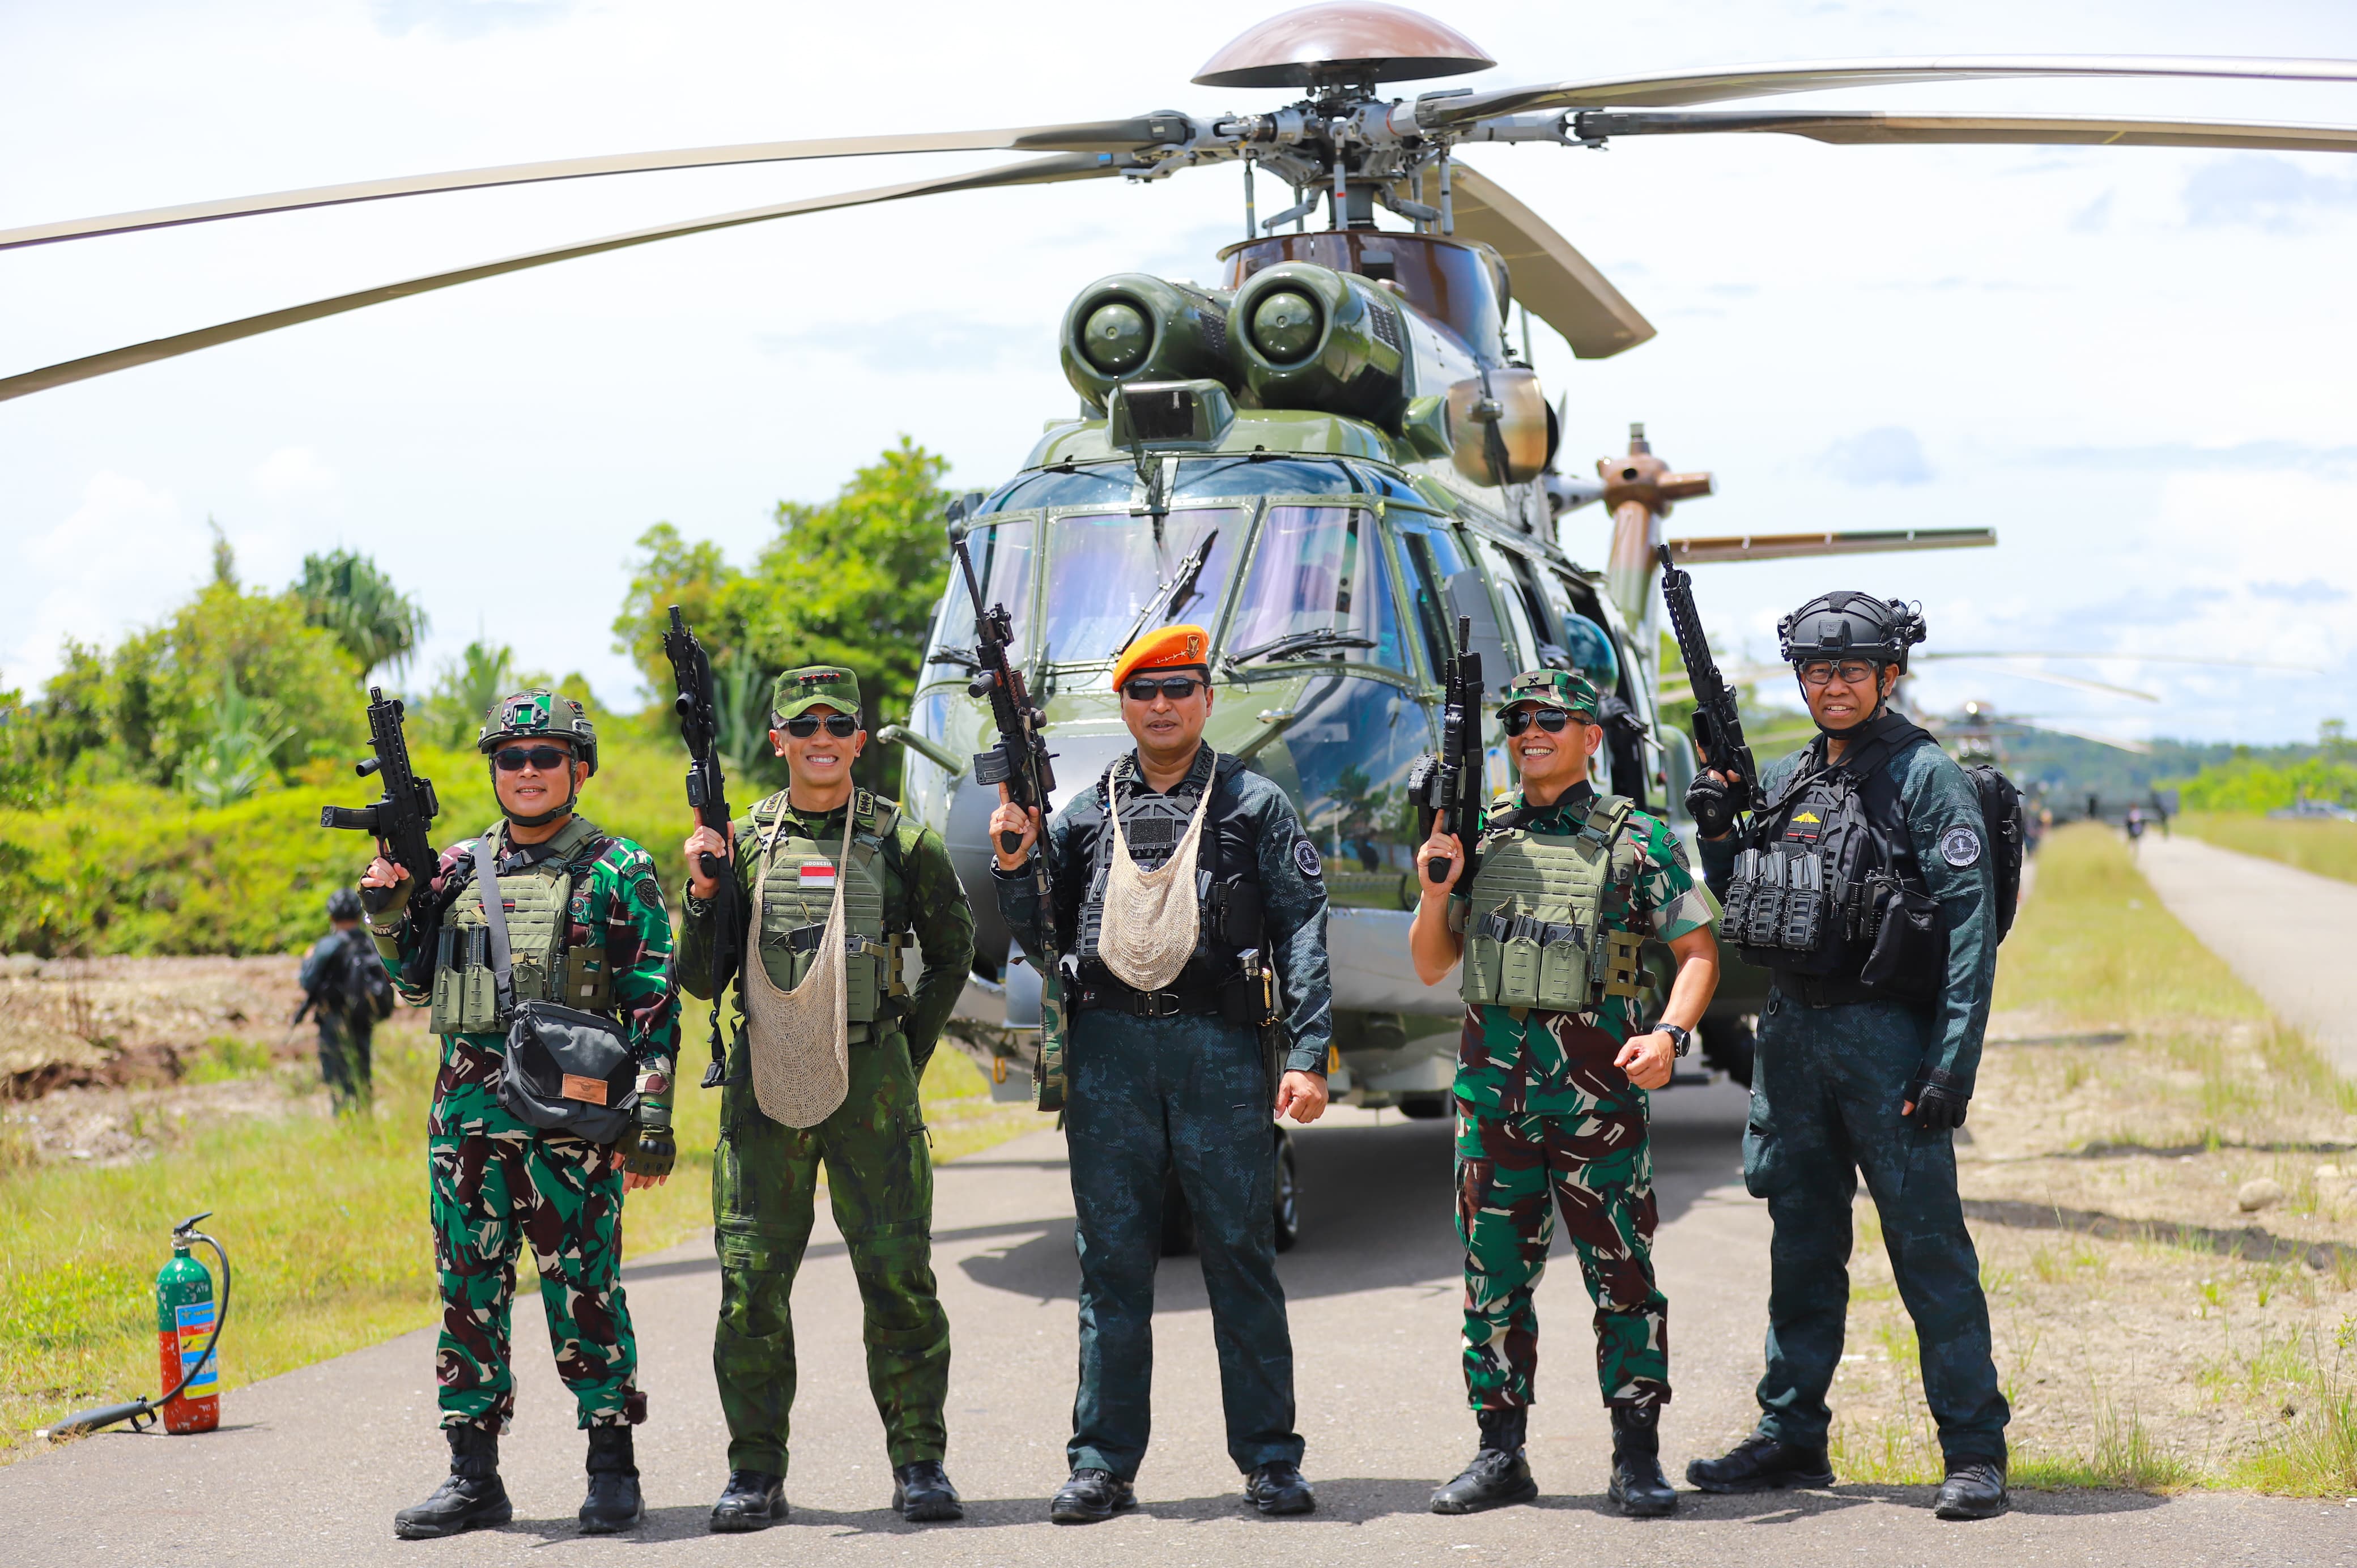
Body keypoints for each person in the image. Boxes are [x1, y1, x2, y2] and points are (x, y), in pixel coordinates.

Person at [988, 624, 1332, 1524]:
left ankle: (1269, 1458)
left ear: (1208, 700)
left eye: (1181, 688)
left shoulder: (1254, 805)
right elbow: (1042, 935)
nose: (1164, 705)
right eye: (1145, 692)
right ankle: (1101, 1462)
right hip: (1109, 1054)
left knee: (1241, 1258)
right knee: (1110, 1267)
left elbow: (1301, 928)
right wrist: (1016, 860)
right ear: (1125, 706)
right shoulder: (1084, 812)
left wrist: (1306, 1054)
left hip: (1219, 1051)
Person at [1682, 594, 2010, 1522]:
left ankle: (1974, 1448)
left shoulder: (1925, 777)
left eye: (1852, 670)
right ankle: (1792, 1433)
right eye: (1819, 671)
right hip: (1793, 1035)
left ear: (1888, 676)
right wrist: (1718, 827)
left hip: (1885, 1038)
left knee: (1928, 1247)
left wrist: (1952, 1062)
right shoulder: (1785, 778)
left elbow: (1969, 931)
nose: (1833, 684)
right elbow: (1751, 901)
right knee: (1802, 1243)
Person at [361, 689, 679, 1540]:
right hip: (467, 1119)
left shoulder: (619, 868)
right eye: (511, 758)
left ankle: (612, 1467)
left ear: (579, 768)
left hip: (575, 1124)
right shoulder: (459, 867)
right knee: (469, 1289)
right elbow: (416, 983)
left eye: (546, 756)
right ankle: (474, 1475)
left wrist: (651, 1120)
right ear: (494, 771)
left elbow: (654, 1005)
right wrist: (389, 912)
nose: (528, 771)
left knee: (584, 1287)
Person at [1408, 668, 1721, 1518]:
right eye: (1518, 719)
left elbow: (1698, 954)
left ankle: (1637, 1457)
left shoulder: (1638, 839)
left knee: (1622, 1280)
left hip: (1597, 1107)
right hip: (1494, 1104)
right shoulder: (1481, 835)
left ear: (1591, 735)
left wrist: (1670, 1034)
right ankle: (1500, 1454)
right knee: (1492, 1283)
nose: (1530, 731)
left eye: (1553, 718)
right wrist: (1437, 887)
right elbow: (1433, 963)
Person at [677, 667, 976, 1531]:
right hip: (765, 1089)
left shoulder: (901, 842)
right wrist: (703, 891)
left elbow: (952, 955)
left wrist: (898, 1056)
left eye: (835, 725)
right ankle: (755, 1474)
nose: (818, 738)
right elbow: (700, 980)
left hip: (871, 1087)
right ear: (777, 741)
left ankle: (920, 1465)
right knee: (750, 1288)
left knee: (898, 1282)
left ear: (855, 739)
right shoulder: (741, 844)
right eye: (800, 726)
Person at [297, 887, 391, 1113]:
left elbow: (308, 982)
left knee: (337, 1079)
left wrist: (306, 960)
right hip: (363, 1019)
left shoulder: (326, 946)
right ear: (359, 916)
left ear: (331, 917)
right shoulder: (371, 944)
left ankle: (344, 1122)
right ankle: (365, 1119)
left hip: (334, 1021)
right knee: (362, 1073)